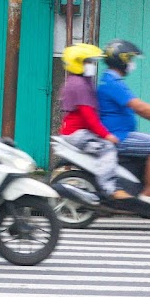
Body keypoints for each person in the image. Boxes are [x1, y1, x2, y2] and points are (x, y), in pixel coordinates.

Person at [97, 39, 150, 208]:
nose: (132, 64)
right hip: (118, 137)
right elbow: (140, 108)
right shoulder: (113, 83)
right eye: (129, 59)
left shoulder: (111, 81)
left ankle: (147, 187)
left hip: (123, 133)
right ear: (120, 60)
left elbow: (140, 111)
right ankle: (149, 192)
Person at [59, 43, 130, 202]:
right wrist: (107, 135)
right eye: (88, 62)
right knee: (107, 148)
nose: (91, 65)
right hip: (77, 134)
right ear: (77, 63)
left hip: (76, 131)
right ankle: (109, 189)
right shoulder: (78, 84)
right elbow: (89, 117)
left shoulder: (82, 81)